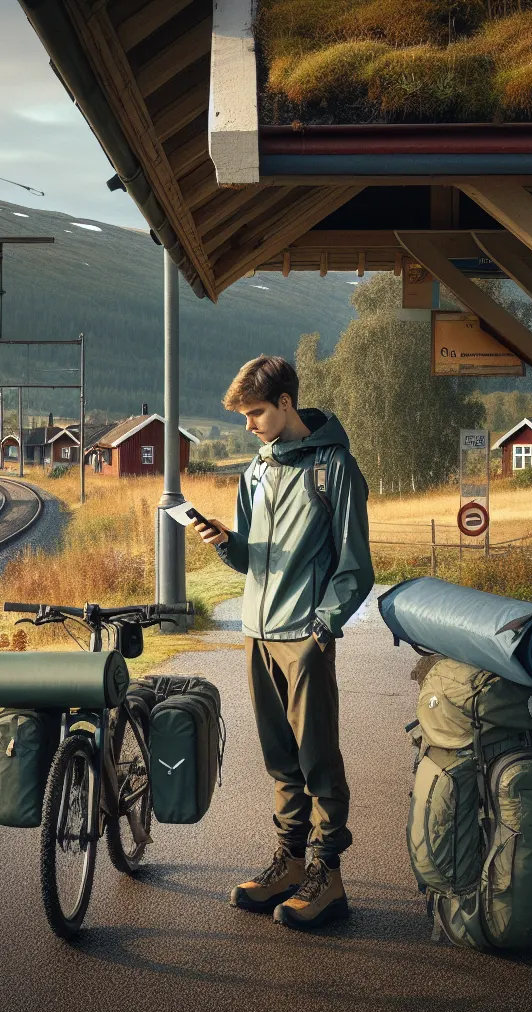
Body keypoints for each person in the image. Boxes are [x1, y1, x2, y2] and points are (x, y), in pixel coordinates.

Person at [190, 355, 373, 930]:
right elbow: (252, 560)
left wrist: (324, 626)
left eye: (255, 413)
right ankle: (291, 864)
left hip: (305, 637)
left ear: (286, 403)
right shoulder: (256, 470)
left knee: (317, 755)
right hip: (258, 633)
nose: (248, 426)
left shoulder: (334, 468)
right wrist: (224, 542)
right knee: (280, 757)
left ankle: (328, 876)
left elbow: (355, 565)